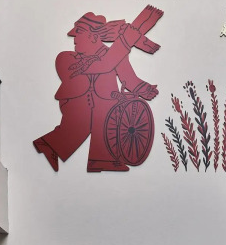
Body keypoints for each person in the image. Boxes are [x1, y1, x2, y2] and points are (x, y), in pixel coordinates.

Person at [33, 11, 159, 172]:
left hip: (106, 103)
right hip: (78, 104)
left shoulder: (113, 55)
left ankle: (101, 160)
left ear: (92, 36)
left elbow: (127, 76)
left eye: (78, 34)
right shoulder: (67, 58)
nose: (75, 40)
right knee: (78, 128)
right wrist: (125, 41)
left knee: (105, 119)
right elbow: (104, 64)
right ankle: (48, 144)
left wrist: (144, 88)